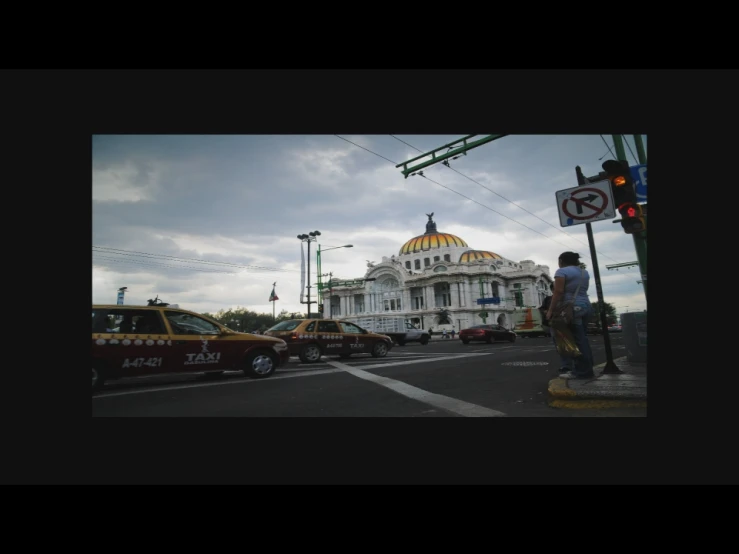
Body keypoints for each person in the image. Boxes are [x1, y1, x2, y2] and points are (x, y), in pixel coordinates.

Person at [545, 251, 595, 379]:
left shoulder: (561, 272)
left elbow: (558, 292)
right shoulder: (584, 272)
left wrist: (551, 310)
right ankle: (587, 369)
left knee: (576, 340)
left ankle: (582, 372)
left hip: (572, 309)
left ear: (561, 260)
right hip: (586, 306)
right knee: (582, 338)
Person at [540, 282, 573, 374]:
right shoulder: (548, 299)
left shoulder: (567, 298)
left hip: (567, 323)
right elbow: (542, 309)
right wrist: (546, 311)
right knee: (560, 346)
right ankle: (566, 365)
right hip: (555, 324)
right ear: (552, 290)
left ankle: (574, 364)